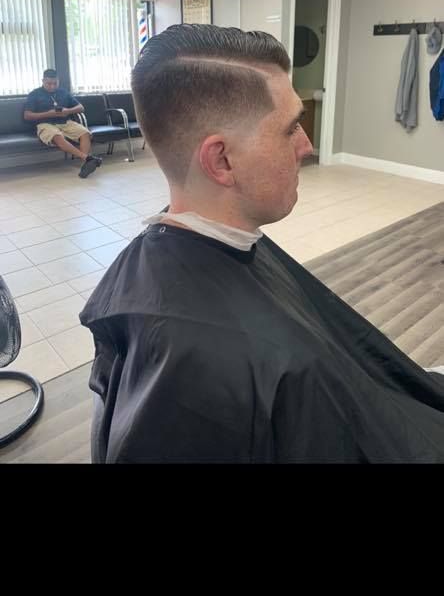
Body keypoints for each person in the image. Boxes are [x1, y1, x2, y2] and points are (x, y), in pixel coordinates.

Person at [81, 25, 444, 463]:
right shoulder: (203, 361)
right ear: (222, 160)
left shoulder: (160, 263)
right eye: (290, 128)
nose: (307, 146)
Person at [24, 69, 102, 179]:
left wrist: (67, 111)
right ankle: (87, 158)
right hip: (45, 124)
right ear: (43, 81)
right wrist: (48, 114)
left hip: (65, 122)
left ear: (58, 81)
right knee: (57, 136)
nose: (52, 86)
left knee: (85, 133)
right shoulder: (34, 94)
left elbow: (81, 107)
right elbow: (27, 115)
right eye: (49, 84)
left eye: (55, 83)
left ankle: (86, 165)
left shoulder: (63, 92)